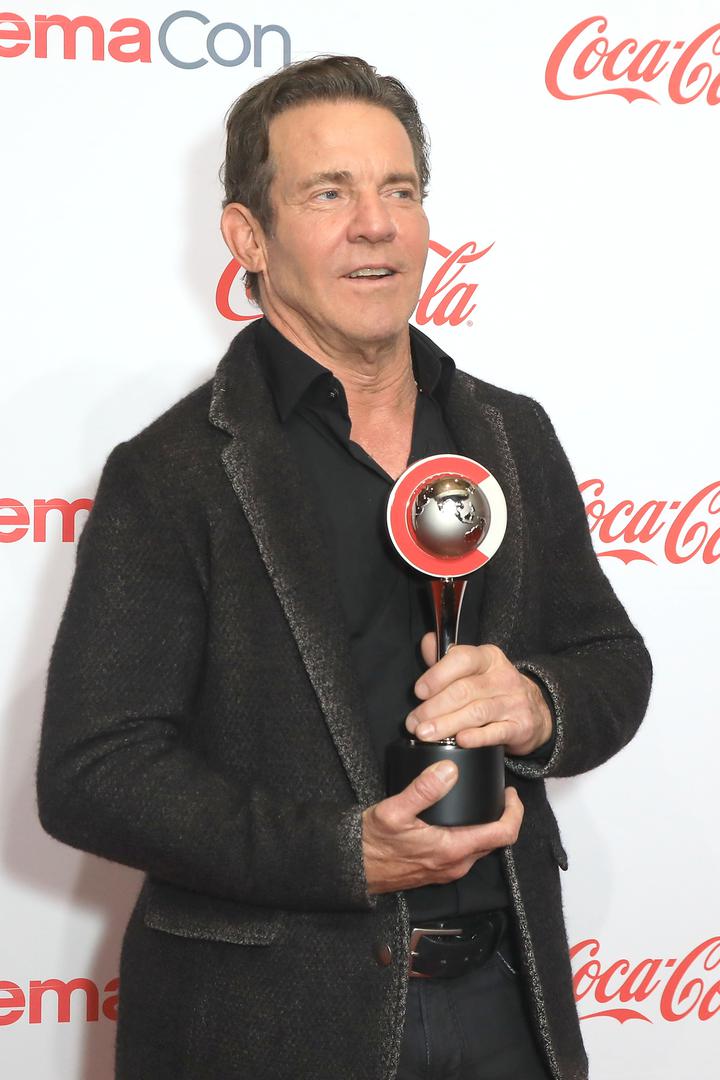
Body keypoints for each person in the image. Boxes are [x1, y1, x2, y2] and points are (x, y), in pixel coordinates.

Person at [37, 55, 651, 1080]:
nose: (376, 225)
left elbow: (611, 660)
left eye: (399, 190)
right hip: (271, 1024)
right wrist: (341, 852)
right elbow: (93, 774)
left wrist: (537, 703)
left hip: (509, 1001)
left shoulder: (510, 432)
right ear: (250, 237)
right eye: (329, 193)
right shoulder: (174, 471)